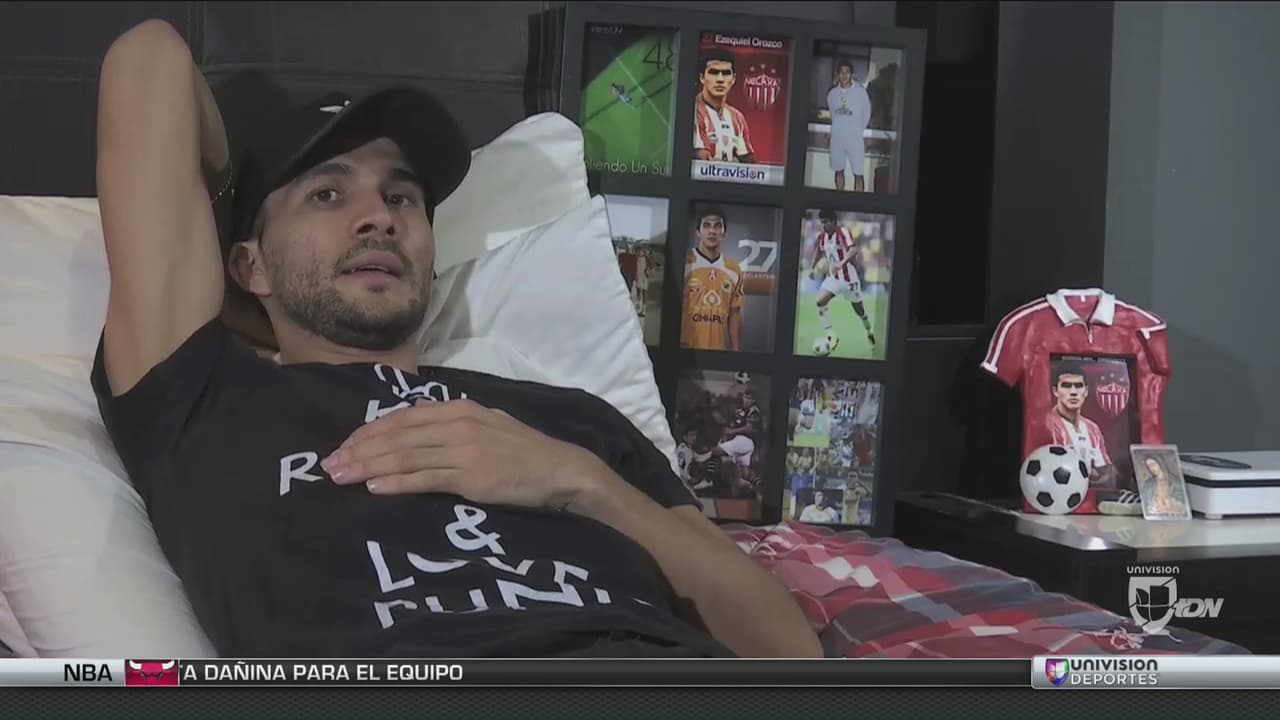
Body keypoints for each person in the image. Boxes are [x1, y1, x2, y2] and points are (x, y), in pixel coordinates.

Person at [90, 20, 820, 660]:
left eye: (401, 197)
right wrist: (242, 285)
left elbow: (785, 649)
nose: (379, 217)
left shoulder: (572, 421)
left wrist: (581, 483)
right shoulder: (207, 399)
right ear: (249, 265)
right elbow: (149, 58)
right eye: (327, 194)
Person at [808, 210, 876, 354]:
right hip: (833, 277)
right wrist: (812, 268)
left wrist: (842, 262)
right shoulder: (822, 236)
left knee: (859, 310)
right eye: (822, 222)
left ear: (833, 222)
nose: (823, 225)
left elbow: (853, 250)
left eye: (826, 222)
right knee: (820, 301)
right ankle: (831, 335)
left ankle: (869, 331)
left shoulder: (842, 232)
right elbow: (819, 251)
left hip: (849, 278)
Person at [681, 205, 745, 351]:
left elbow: (734, 314)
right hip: (685, 352)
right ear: (698, 232)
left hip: (718, 354)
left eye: (717, 226)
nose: (712, 231)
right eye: (706, 225)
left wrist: (737, 354)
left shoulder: (734, 269)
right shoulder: (685, 263)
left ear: (724, 233)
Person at [1046, 363, 1116, 487]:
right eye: (1066, 386)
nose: (1073, 392)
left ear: (1086, 391)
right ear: (1055, 391)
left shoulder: (1093, 428)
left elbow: (1107, 471)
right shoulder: (1048, 424)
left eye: (1078, 386)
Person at [693, 49, 755, 164]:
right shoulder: (694, 111)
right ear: (702, 78)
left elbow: (749, 162)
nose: (720, 79)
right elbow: (702, 161)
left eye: (726, 73)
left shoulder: (738, 117)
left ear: (733, 79)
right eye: (714, 72)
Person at [825, 60, 871, 192]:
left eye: (847, 72)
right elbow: (833, 114)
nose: (844, 75)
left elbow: (867, 113)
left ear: (852, 74)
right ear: (838, 75)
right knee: (838, 171)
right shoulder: (832, 94)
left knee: (858, 173)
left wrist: (857, 129)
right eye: (841, 72)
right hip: (837, 139)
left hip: (855, 139)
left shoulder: (861, 92)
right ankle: (839, 200)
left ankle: (857, 202)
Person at [714, 387, 763, 495]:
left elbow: (749, 428)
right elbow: (730, 425)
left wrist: (731, 431)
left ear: (753, 400)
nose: (746, 400)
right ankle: (758, 487)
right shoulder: (739, 410)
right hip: (739, 441)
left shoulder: (754, 411)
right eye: (745, 397)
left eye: (749, 398)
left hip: (745, 441)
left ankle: (708, 477)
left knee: (715, 451)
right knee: (745, 473)